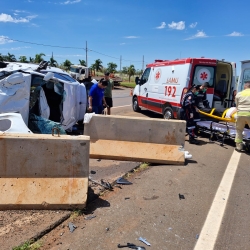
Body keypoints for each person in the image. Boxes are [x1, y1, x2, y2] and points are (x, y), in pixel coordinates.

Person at [234, 81, 250, 151]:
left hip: (240, 114)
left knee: (239, 130)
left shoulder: (239, 94)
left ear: (245, 86)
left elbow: (236, 105)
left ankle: (239, 147)